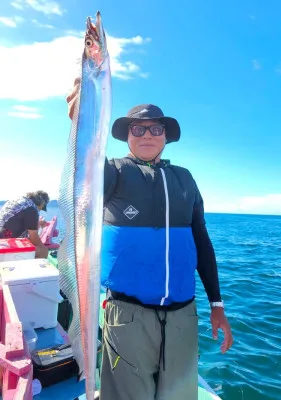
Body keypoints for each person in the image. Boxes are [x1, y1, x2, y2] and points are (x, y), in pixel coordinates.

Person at [67, 82, 233, 400]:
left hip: (183, 315)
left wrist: (217, 305)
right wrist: (80, 119)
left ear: (166, 136)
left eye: (155, 128)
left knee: (180, 396)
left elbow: (202, 241)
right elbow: (83, 168)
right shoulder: (111, 172)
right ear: (127, 135)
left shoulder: (185, 178)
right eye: (138, 129)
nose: (147, 135)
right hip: (127, 316)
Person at [0, 190, 50, 259]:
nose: (40, 210)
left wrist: (36, 224)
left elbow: (13, 221)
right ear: (42, 203)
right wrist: (42, 246)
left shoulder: (19, 201)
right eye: (42, 208)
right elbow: (34, 238)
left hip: (3, 239)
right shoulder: (32, 209)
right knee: (43, 251)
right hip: (5, 246)